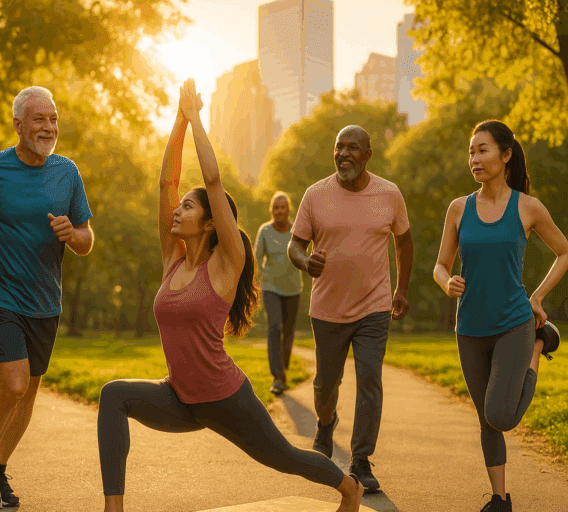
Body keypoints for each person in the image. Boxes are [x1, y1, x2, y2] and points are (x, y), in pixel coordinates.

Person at [97, 79, 365, 512]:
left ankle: (348, 487)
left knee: (285, 459)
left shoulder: (226, 263)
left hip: (226, 399)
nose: (177, 209)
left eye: (189, 206)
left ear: (209, 223)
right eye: (179, 205)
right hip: (180, 399)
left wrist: (198, 118)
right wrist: (179, 121)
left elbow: (213, 179)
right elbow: (166, 183)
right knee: (114, 395)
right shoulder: (172, 258)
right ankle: (114, 509)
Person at [0, 85, 94, 510]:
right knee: (14, 384)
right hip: (0, 294)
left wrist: (73, 235)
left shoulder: (67, 172)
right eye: (40, 119)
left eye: (53, 119)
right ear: (19, 125)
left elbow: (87, 238)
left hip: (45, 300)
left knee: (29, 393)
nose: (49, 127)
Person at [433, 120, 568, 512]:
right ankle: (500, 499)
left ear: (505, 154)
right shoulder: (459, 208)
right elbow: (440, 265)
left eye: (483, 150)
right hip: (469, 328)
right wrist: (446, 283)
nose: (474, 159)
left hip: (515, 323)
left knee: (500, 415)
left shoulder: (527, 207)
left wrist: (538, 296)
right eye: (471, 152)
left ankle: (540, 343)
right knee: (486, 420)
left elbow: (565, 252)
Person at [288, 125, 414, 494]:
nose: (344, 154)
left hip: (374, 307)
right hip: (327, 308)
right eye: (338, 147)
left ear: (368, 155)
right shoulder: (315, 195)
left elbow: (404, 242)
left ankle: (360, 459)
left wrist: (401, 288)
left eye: (353, 148)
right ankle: (325, 425)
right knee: (326, 383)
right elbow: (295, 244)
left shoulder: (389, 194)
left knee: (370, 381)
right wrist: (303, 261)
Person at [254, 191, 303, 395]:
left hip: (293, 288)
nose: (279, 211)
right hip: (270, 287)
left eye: (283, 207)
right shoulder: (264, 231)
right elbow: (256, 259)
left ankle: (283, 369)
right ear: (271, 210)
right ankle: (277, 376)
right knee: (275, 327)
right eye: (276, 207)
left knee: (289, 331)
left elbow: (306, 253)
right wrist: (254, 283)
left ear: (288, 209)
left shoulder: (298, 229)